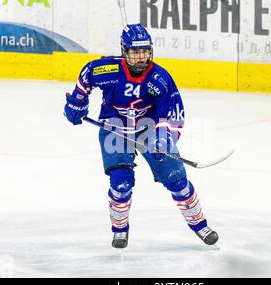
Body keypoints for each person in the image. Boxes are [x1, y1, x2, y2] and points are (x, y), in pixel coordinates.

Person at [64, 23, 218, 249]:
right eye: (135, 52)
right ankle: (120, 230)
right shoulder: (108, 70)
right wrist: (77, 101)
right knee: (121, 183)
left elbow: (172, 113)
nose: (140, 57)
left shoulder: (161, 78)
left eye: (144, 51)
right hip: (115, 126)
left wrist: (163, 137)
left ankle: (200, 225)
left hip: (150, 128)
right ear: (124, 52)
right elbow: (87, 74)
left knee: (178, 181)